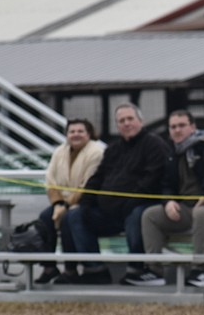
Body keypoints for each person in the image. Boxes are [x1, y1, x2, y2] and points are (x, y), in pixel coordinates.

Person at [125, 110, 204, 287]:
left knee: (202, 214)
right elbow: (166, 183)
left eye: (182, 125)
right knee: (150, 215)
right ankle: (153, 271)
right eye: (173, 127)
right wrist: (168, 201)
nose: (177, 130)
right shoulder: (171, 152)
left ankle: (200, 271)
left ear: (192, 127)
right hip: (187, 207)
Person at [61, 103, 169, 284]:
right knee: (74, 215)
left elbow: (153, 178)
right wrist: (85, 202)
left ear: (140, 121)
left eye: (130, 119)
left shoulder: (154, 144)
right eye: (121, 121)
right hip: (109, 212)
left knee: (137, 215)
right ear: (117, 126)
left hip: (137, 207)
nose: (126, 124)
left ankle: (137, 269)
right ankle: (94, 269)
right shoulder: (113, 149)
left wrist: (129, 201)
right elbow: (97, 178)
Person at [35, 119, 105, 284]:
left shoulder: (96, 152)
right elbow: (50, 180)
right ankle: (49, 267)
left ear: (89, 134)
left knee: (69, 217)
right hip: (61, 202)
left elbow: (88, 185)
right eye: (72, 131)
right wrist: (58, 203)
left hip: (87, 202)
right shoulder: (59, 151)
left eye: (80, 131)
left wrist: (66, 205)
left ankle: (70, 269)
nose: (75, 135)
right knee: (44, 218)